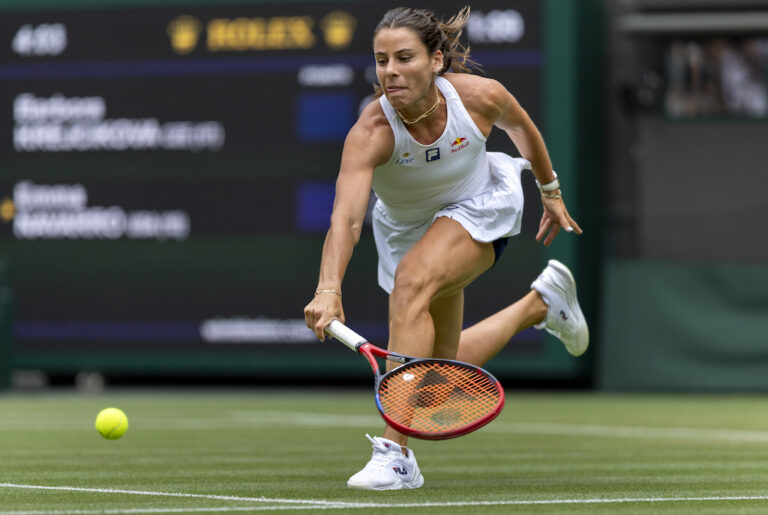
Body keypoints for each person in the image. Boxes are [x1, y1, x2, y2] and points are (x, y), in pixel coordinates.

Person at [303, 6, 588, 490]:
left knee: (414, 280)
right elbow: (347, 218)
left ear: (437, 60)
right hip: (406, 231)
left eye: (404, 58)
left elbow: (522, 131)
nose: (391, 71)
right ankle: (539, 304)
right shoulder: (371, 132)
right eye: (382, 60)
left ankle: (396, 456)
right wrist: (328, 287)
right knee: (433, 389)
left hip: (478, 205)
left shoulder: (480, 97)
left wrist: (550, 191)